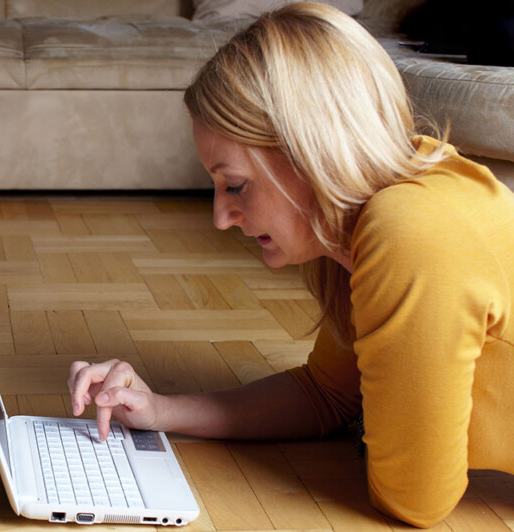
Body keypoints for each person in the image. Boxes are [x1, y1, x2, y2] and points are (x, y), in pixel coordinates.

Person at [67, 3, 514, 528]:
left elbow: (414, 499)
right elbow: (327, 394)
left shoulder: (411, 229)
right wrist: (159, 410)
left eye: (235, 185)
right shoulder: (386, 210)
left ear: (310, 153)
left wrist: (379, 415)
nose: (220, 217)